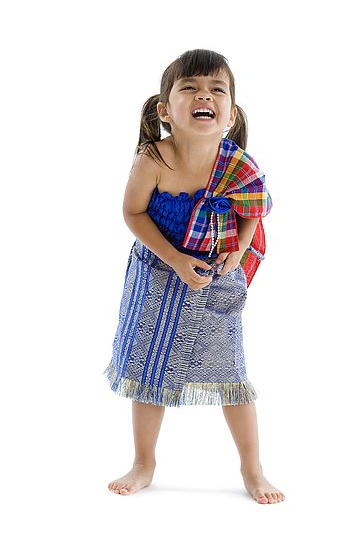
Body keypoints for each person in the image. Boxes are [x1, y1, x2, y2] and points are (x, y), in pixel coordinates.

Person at [103, 49, 285, 504]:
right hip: (157, 276)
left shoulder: (238, 163)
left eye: (216, 90)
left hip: (216, 280)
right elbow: (132, 212)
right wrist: (174, 259)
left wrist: (238, 249)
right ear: (166, 110)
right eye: (190, 88)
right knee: (150, 369)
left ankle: (253, 470)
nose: (204, 95)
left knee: (231, 374)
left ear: (230, 112)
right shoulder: (154, 159)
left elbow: (252, 212)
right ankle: (144, 462)